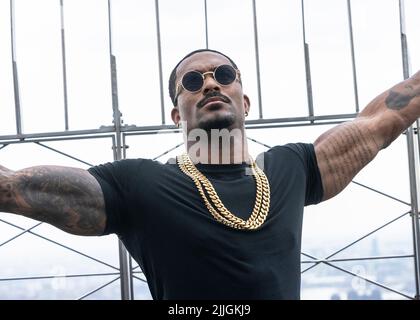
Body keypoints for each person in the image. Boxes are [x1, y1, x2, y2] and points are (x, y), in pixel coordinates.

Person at [0, 48, 419, 300]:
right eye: (192, 81)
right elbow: (13, 188)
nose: (210, 84)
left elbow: (381, 121)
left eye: (223, 75)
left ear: (245, 101)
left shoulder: (290, 168)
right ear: (174, 114)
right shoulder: (138, 185)